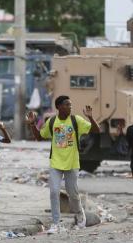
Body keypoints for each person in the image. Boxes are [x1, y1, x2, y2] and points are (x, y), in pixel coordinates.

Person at [26, 96, 100, 235]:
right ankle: (55, 223)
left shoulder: (76, 120)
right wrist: (32, 124)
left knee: (73, 193)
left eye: (70, 105)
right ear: (58, 107)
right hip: (56, 162)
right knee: (54, 192)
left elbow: (96, 130)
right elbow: (40, 136)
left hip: (72, 163)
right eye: (67, 105)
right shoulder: (52, 121)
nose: (70, 107)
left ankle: (80, 216)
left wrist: (90, 117)